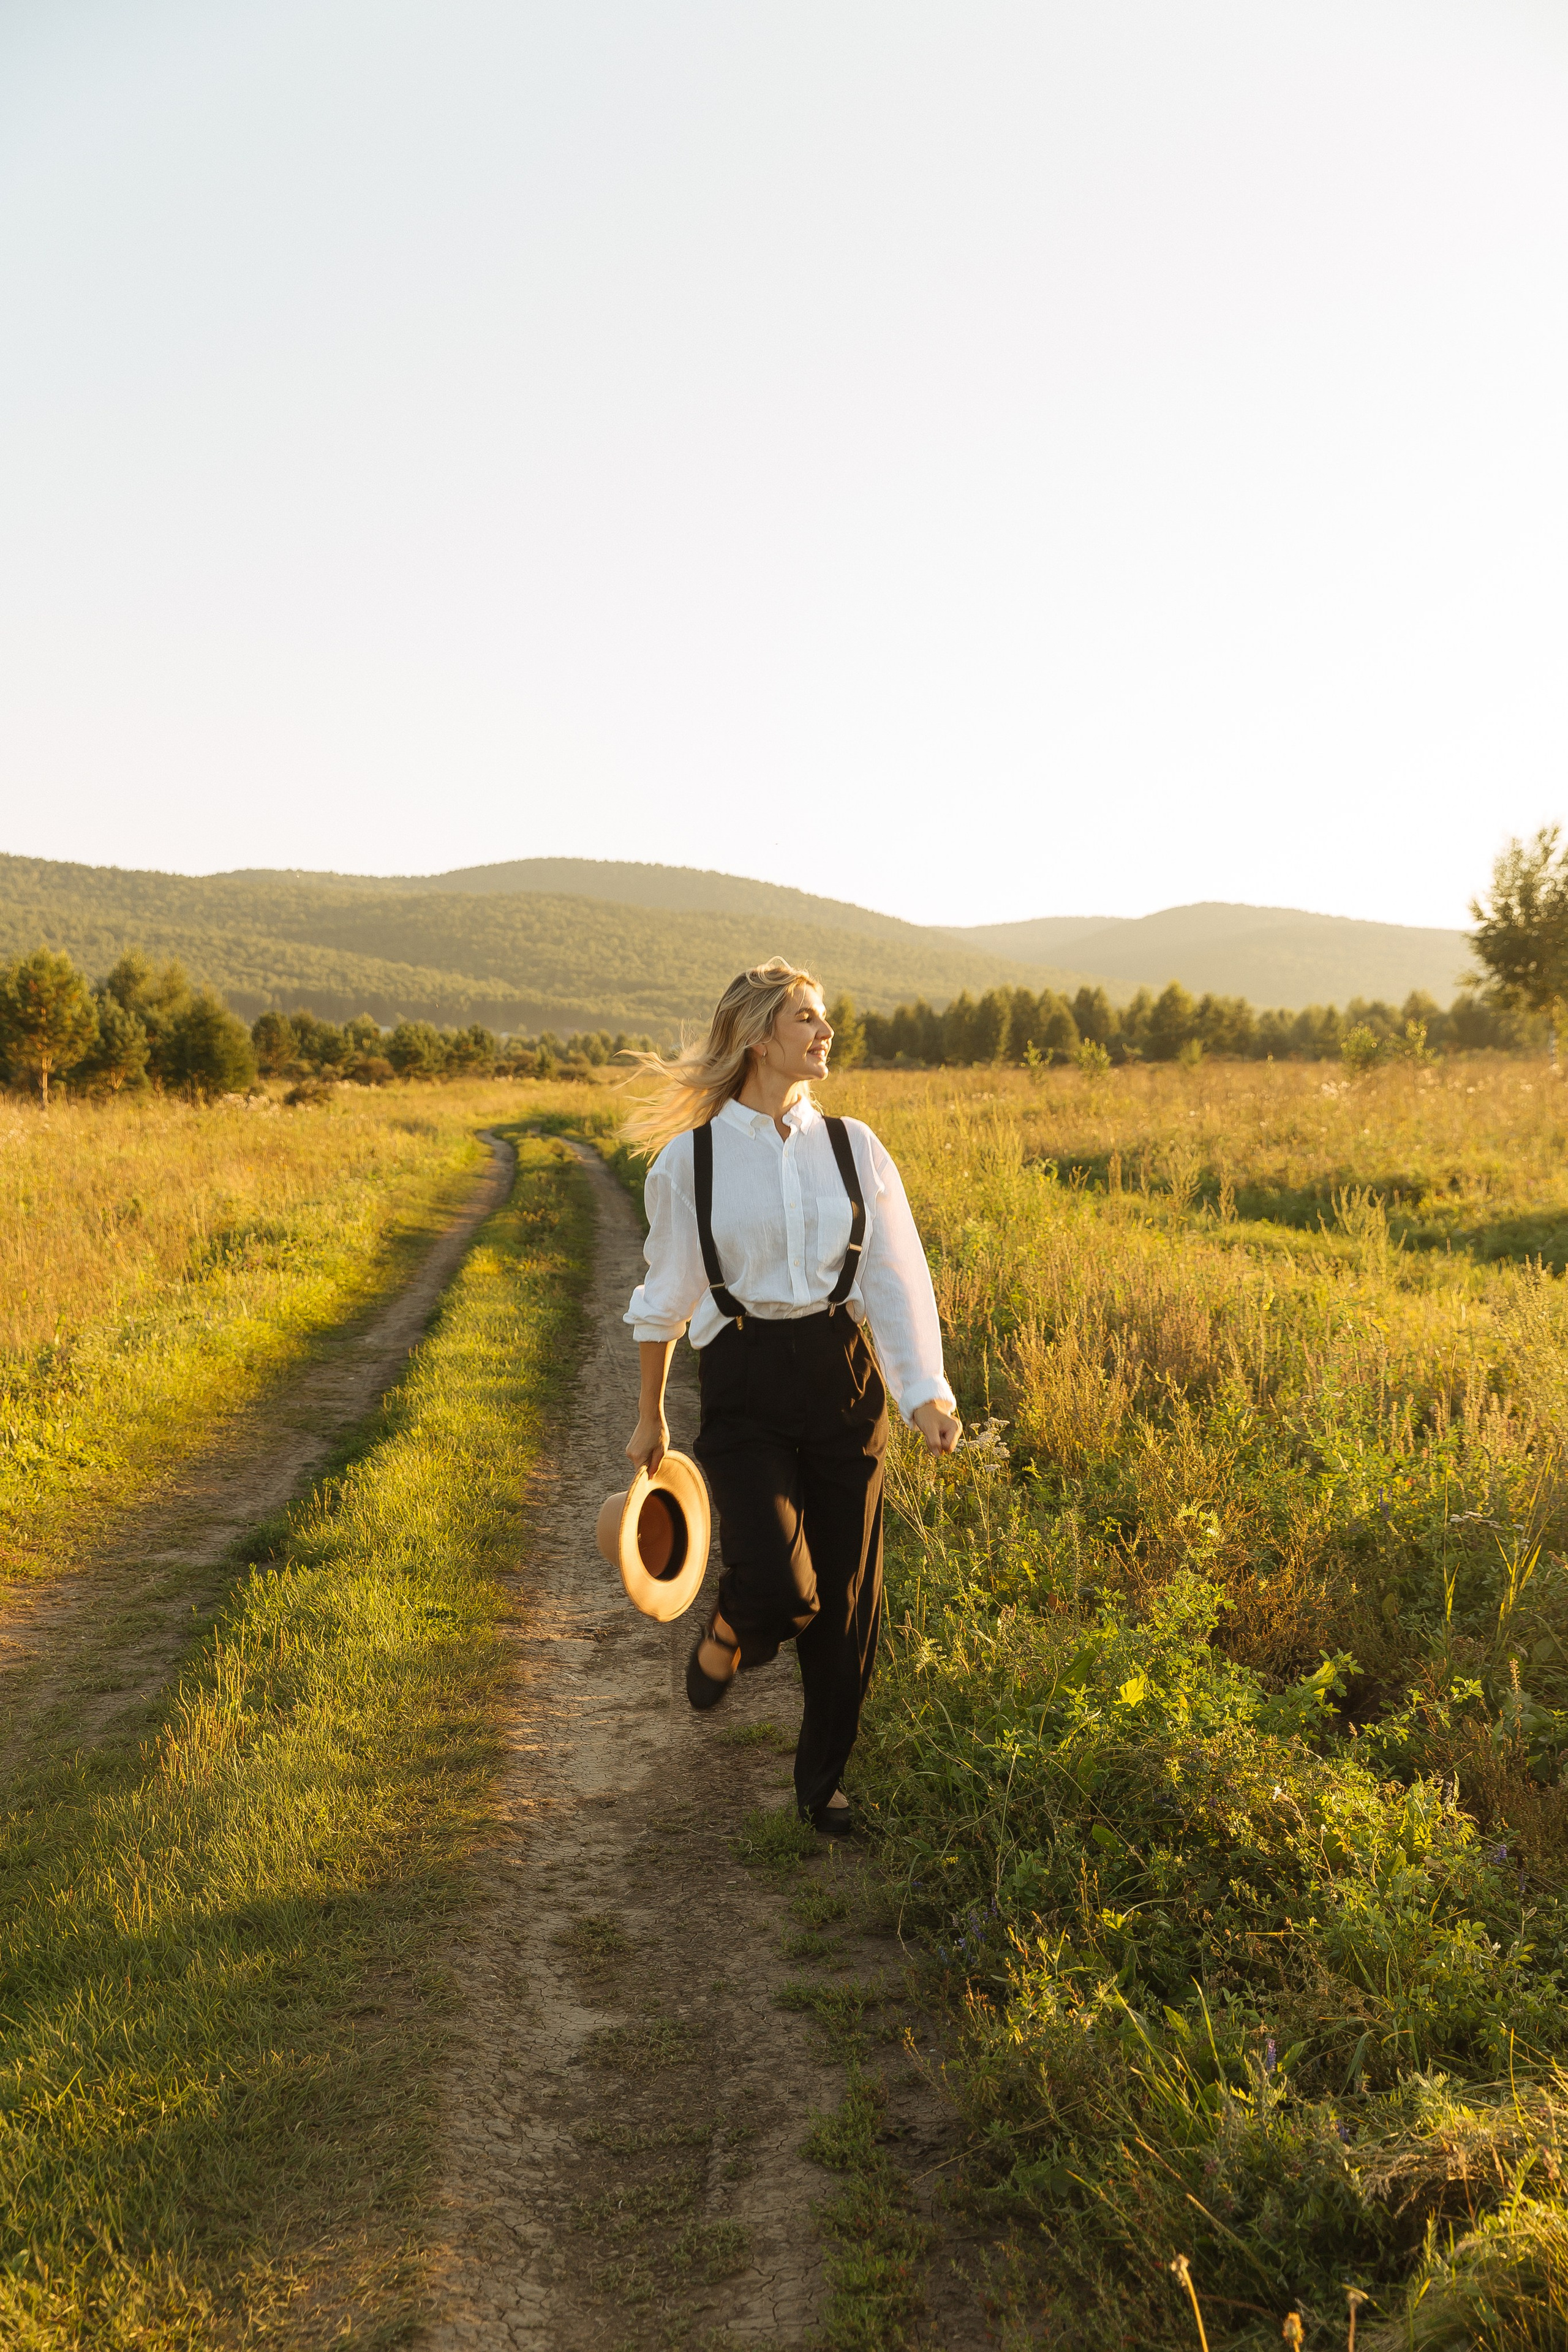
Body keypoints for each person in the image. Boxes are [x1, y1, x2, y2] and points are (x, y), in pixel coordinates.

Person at [622, 959, 961, 1834]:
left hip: (842, 1373)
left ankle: (822, 1788)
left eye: (825, 1020)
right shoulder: (689, 1161)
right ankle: (742, 1617)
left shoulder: (855, 1146)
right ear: (758, 1035)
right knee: (784, 1579)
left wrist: (924, 1391)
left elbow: (893, 1277)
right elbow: (665, 1299)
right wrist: (651, 1412)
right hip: (743, 1373)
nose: (824, 1034)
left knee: (848, 1604)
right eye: (806, 1019)